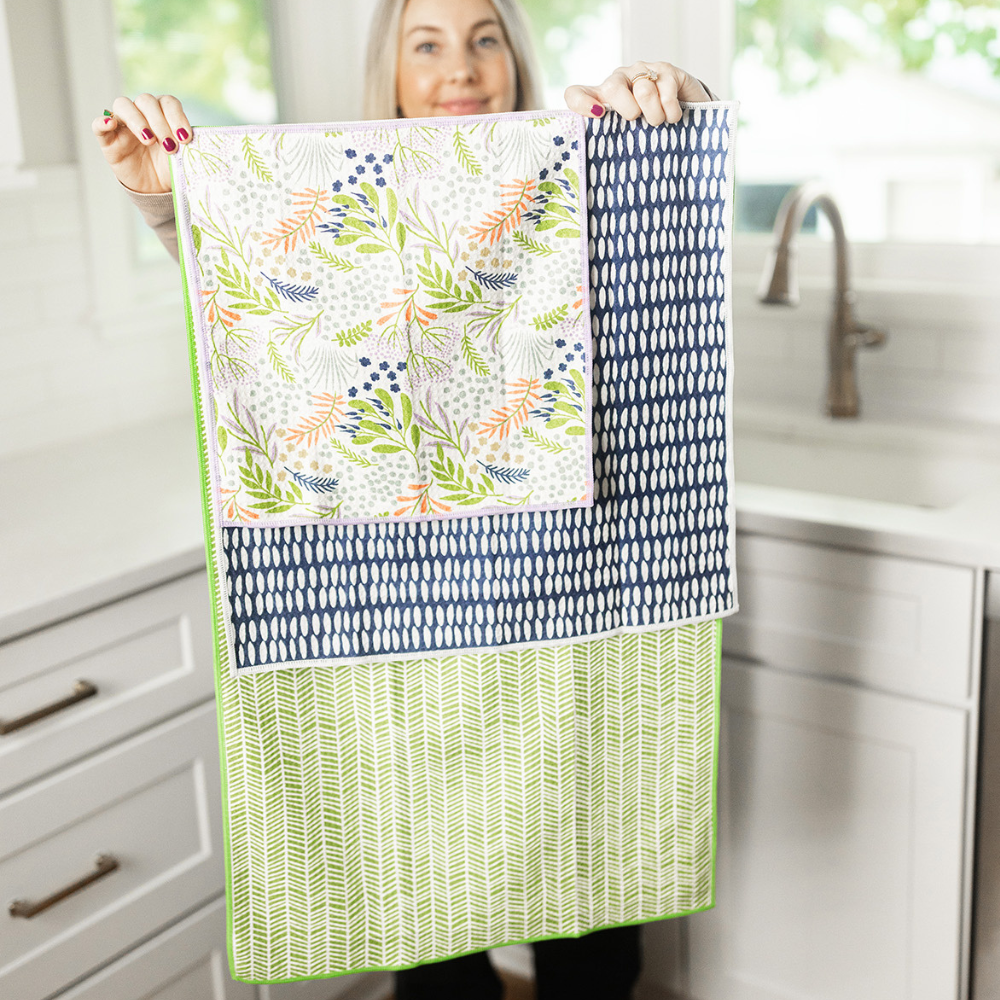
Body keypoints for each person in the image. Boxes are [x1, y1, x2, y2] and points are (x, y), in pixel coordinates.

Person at [92, 1, 714, 996]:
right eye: (427, 44)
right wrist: (167, 197)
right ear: (389, 67)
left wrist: (672, 114)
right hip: (399, 620)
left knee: (591, 911)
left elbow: (661, 252)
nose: (459, 68)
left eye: (483, 37)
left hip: (570, 599)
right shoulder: (336, 191)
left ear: (515, 57)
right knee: (429, 923)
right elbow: (254, 311)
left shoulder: (581, 170)